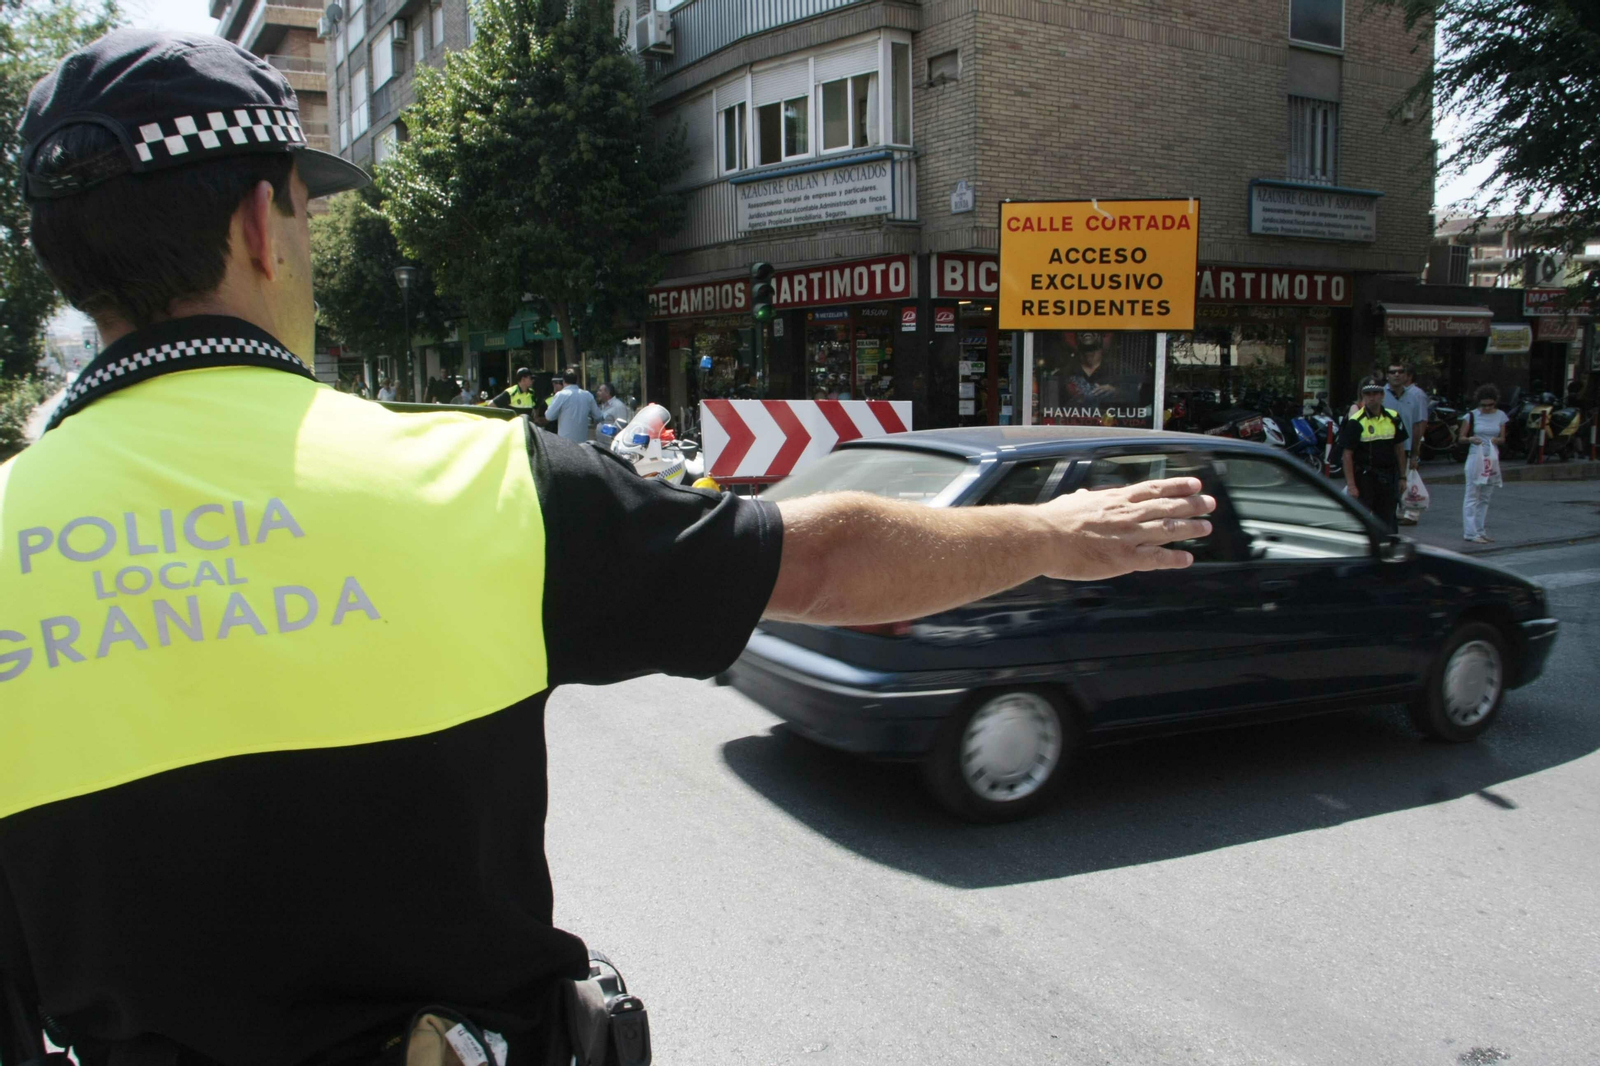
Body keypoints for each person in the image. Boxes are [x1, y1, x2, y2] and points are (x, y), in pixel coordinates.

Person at [0, 29, 1213, 1066]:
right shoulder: (476, 479)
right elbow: (824, 564)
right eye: (306, 208)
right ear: (266, 223)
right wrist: (1055, 531)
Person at [1340, 380, 1409, 534]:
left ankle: (1387, 550)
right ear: (1363, 396)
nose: (1372, 397)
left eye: (1375, 393)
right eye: (1368, 394)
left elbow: (1399, 448)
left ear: (1382, 395)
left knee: (1388, 520)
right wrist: (1351, 485)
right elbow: (1347, 455)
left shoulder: (1394, 417)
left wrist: (1402, 477)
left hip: (1388, 476)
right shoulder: (1356, 421)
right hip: (1365, 478)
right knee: (1361, 520)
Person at [1459, 383, 1508, 543]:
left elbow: (1503, 438)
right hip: (1475, 457)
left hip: (1492, 458)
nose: (1487, 408)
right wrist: (1470, 439)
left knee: (1485, 496)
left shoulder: (1501, 415)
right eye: (1483, 405)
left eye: (1490, 405)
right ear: (1478, 403)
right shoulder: (1471, 416)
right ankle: (1470, 532)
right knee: (1472, 494)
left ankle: (1480, 530)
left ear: (1495, 403)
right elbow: (1461, 437)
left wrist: (1497, 440)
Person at [1383, 362, 1430, 524]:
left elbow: (1418, 425)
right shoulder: (1380, 395)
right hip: (1384, 447)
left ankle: (1410, 513)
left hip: (1407, 447)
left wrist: (1416, 452)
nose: (1397, 375)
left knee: (1406, 481)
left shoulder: (1415, 396)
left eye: (1400, 372)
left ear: (1406, 376)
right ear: (1387, 375)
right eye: (1393, 372)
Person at [543, 370, 603, 444]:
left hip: (565, 442)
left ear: (563, 381)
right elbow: (598, 416)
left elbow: (549, 416)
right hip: (583, 442)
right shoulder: (587, 395)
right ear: (576, 380)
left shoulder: (560, 395)